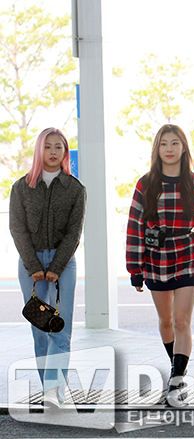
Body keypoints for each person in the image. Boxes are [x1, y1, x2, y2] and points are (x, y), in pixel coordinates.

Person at [126, 124, 194, 406]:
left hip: (188, 255)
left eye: (175, 143)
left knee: (181, 320)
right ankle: (180, 371)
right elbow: (134, 226)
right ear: (157, 149)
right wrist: (134, 268)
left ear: (184, 148)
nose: (169, 149)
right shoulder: (145, 184)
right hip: (156, 257)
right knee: (165, 321)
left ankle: (175, 383)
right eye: (164, 144)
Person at [9, 128, 87, 408]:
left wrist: (56, 266)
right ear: (39, 150)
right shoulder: (21, 187)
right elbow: (17, 229)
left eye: (59, 147)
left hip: (63, 264)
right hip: (30, 264)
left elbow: (74, 232)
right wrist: (33, 265)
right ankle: (48, 388)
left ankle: (54, 391)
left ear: (65, 152)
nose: (53, 152)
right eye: (48, 147)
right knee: (39, 329)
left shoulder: (75, 188)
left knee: (60, 328)